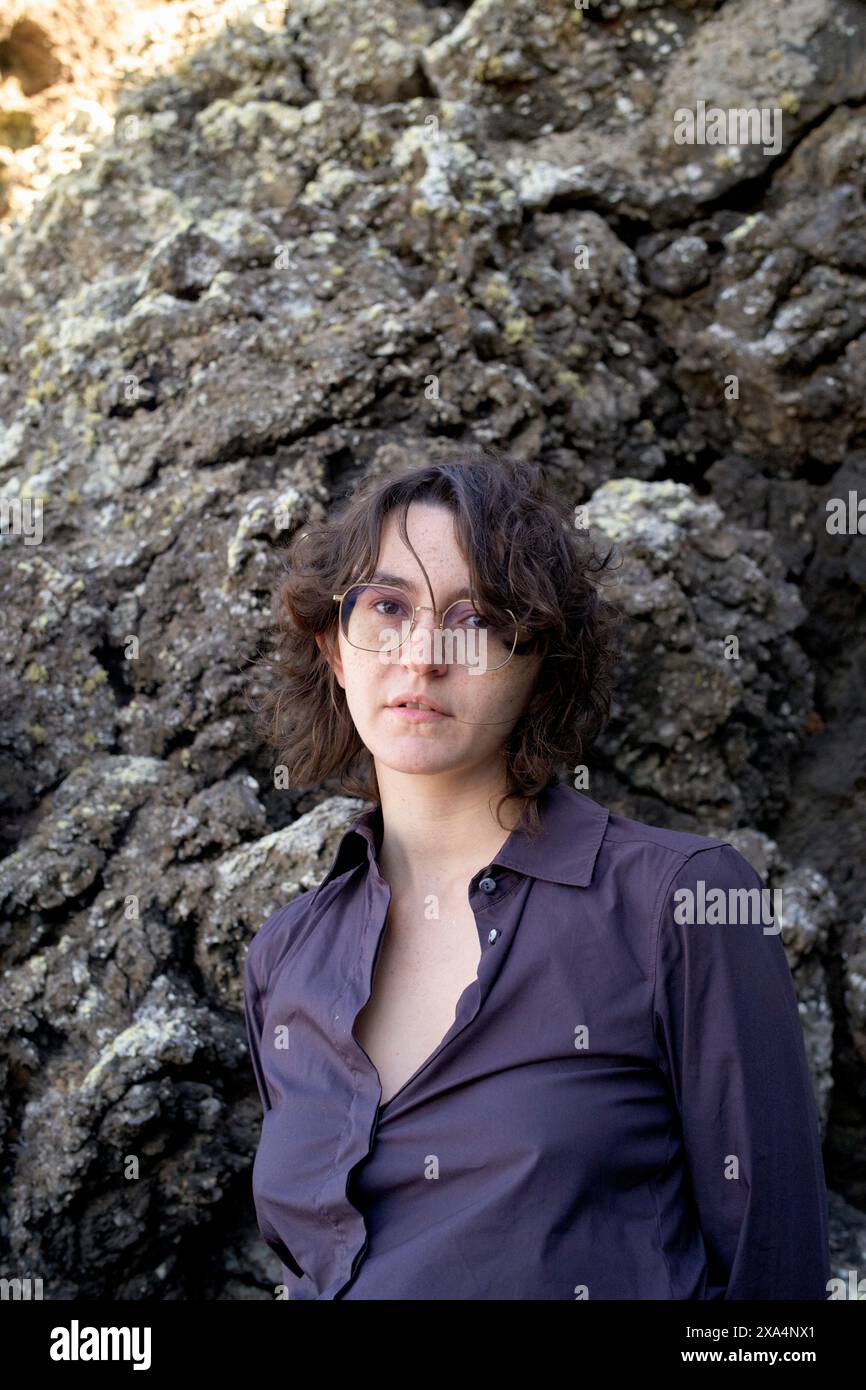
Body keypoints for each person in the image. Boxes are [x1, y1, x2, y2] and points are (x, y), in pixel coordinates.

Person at [243, 451, 830, 1300]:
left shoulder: (682, 905)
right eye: (386, 607)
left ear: (539, 660)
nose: (421, 656)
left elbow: (775, 1311)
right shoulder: (286, 956)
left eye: (475, 618)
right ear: (336, 651)